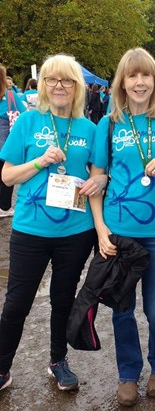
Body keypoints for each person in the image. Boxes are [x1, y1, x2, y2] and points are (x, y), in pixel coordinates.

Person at [0, 54, 106, 392]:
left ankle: (58, 361)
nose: (59, 86)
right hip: (30, 230)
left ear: (77, 88)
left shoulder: (89, 129)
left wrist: (100, 181)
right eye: (52, 80)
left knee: (63, 299)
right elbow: (6, 177)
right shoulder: (28, 123)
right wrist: (39, 161)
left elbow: (98, 174)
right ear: (43, 85)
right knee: (17, 303)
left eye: (67, 80)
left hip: (76, 232)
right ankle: (2, 368)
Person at [89, 47, 155, 407]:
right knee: (121, 308)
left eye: (146, 75)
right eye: (132, 75)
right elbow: (96, 180)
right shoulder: (107, 125)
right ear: (121, 82)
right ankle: (128, 373)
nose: (139, 82)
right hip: (118, 231)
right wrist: (100, 229)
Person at [0, 64, 26, 218]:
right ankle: (4, 207)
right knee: (6, 176)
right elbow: (23, 113)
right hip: (4, 145)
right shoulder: (10, 96)